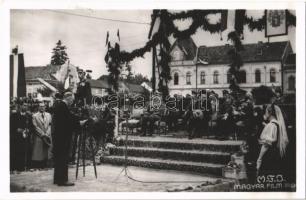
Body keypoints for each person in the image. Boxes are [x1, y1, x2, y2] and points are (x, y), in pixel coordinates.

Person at [52, 92, 87, 186]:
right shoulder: (63, 106)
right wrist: (79, 123)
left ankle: (57, 179)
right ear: (67, 98)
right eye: (72, 99)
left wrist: (77, 121)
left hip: (59, 136)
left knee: (59, 158)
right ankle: (63, 180)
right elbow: (67, 121)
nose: (72, 101)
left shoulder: (60, 105)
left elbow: (68, 118)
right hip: (63, 137)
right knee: (63, 158)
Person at [256, 104, 289, 180]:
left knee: (265, 177)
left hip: (268, 156)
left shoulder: (271, 125)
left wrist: (259, 158)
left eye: (266, 112)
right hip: (276, 155)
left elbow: (266, 144)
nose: (265, 114)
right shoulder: (278, 124)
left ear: (270, 113)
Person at [10, 102, 33, 171]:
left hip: (25, 137)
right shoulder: (14, 115)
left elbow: (31, 126)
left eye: (26, 106)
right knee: (16, 152)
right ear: (20, 106)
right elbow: (10, 125)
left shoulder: (28, 116)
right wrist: (16, 129)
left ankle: (24, 166)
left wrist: (29, 130)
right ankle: (15, 167)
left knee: (24, 152)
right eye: (24, 105)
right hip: (16, 138)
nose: (25, 107)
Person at [31, 102, 52, 169]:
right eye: (40, 106)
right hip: (39, 136)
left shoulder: (49, 115)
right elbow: (35, 127)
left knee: (46, 150)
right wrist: (42, 134)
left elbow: (50, 125)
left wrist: (47, 133)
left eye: (43, 106)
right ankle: (39, 165)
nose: (42, 107)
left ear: (45, 107)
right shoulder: (34, 116)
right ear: (38, 107)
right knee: (39, 151)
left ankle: (46, 164)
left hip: (47, 135)